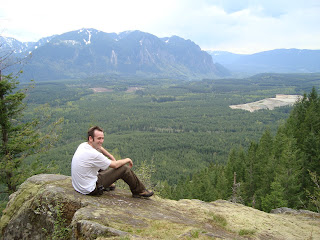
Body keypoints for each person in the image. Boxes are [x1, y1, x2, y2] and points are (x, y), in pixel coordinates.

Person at [71, 126, 154, 198]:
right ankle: (139, 191)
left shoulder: (83, 145)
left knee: (101, 165)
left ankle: (108, 185)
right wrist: (127, 159)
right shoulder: (94, 154)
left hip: (79, 186)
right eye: (99, 138)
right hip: (90, 189)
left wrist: (110, 156)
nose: (101, 141)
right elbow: (114, 165)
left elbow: (100, 148)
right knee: (124, 169)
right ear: (90, 138)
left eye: (102, 138)